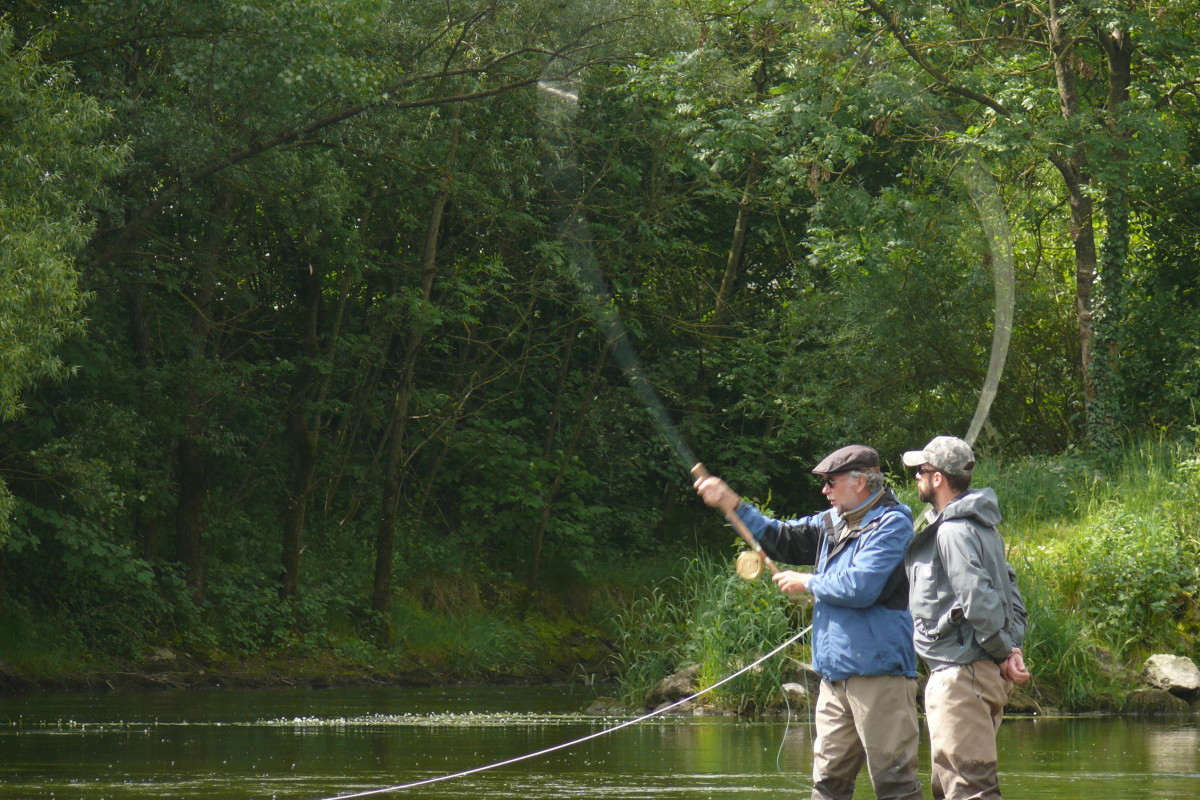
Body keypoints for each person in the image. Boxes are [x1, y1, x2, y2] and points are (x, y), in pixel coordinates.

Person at [695, 445, 922, 800]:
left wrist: (808, 582)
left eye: (831, 482)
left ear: (860, 482)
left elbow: (861, 586)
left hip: (880, 676)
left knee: (895, 785)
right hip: (833, 679)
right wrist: (733, 505)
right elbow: (779, 538)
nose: (824, 490)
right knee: (828, 786)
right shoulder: (831, 522)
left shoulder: (893, 524)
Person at [900, 435, 1031, 800]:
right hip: (972, 672)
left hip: (962, 677)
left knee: (971, 790)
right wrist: (1010, 648)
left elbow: (977, 598)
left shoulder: (954, 531)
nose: (916, 478)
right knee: (950, 788)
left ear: (938, 478)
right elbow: (1011, 593)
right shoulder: (983, 526)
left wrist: (1006, 652)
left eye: (921, 471)